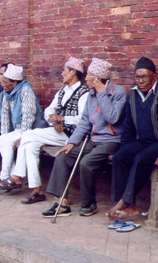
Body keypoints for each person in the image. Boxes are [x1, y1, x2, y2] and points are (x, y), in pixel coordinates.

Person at [0, 57, 89, 204]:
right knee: (30, 145)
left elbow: (84, 119)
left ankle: (17, 176)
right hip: (58, 131)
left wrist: (62, 119)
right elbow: (49, 109)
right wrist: (53, 118)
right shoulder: (62, 91)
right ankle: (37, 189)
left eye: (64, 70)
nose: (62, 74)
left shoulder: (84, 93)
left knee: (27, 135)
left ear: (73, 73)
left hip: (72, 136)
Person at [43, 58, 126, 217]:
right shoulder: (91, 94)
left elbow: (113, 118)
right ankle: (62, 203)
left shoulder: (119, 93)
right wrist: (72, 142)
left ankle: (89, 203)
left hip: (110, 141)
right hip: (93, 139)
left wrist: (102, 95)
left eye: (89, 76)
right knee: (63, 156)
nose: (85, 78)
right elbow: (84, 123)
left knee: (86, 163)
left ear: (98, 79)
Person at [107, 57, 158, 224]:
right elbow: (128, 125)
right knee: (120, 157)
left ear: (154, 77)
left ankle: (122, 202)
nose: (140, 81)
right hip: (146, 141)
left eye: (144, 77)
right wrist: (126, 149)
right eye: (137, 77)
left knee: (141, 159)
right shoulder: (133, 93)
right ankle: (130, 205)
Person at [0, 64, 48, 191]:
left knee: (20, 144)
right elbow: (4, 116)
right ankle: (6, 176)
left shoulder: (26, 90)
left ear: (14, 83)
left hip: (32, 129)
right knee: (2, 140)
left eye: (5, 82)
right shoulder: (6, 93)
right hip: (19, 128)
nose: (2, 84)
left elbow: (28, 116)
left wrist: (23, 137)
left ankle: (11, 177)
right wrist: (5, 135)